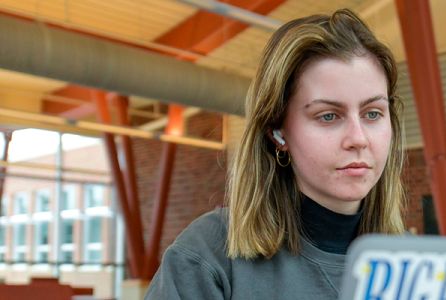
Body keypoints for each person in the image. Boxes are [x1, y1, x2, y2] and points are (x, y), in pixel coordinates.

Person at [145, 9, 407, 299]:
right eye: (328, 116)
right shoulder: (210, 254)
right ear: (277, 132)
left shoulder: (420, 269)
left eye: (372, 113)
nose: (358, 139)